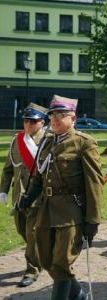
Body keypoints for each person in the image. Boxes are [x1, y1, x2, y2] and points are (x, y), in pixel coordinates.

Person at [19, 95, 104, 300]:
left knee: (62, 263)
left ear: (72, 119)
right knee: (48, 262)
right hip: (47, 211)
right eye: (52, 116)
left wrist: (92, 220)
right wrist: (29, 196)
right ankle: (79, 296)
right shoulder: (47, 143)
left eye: (60, 115)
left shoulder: (84, 143)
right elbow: (39, 176)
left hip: (71, 212)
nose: (54, 120)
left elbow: (94, 184)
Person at [0, 103, 47, 287]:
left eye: (33, 121)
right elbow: (8, 169)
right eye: (26, 121)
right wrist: (3, 189)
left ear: (42, 122)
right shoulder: (16, 140)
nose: (28, 125)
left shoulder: (48, 141)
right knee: (22, 230)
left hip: (38, 197)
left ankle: (32, 270)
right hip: (19, 196)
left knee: (32, 233)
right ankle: (41, 254)